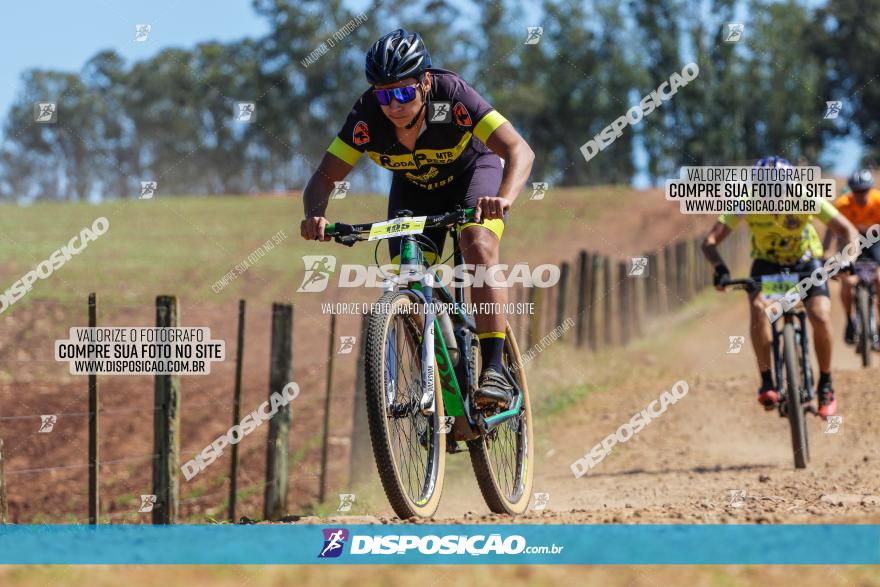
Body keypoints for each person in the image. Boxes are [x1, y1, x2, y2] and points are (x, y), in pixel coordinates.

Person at [300, 29, 535, 409]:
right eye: (384, 94)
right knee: (409, 281)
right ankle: (443, 388)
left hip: (473, 175)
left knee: (476, 243)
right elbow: (323, 178)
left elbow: (518, 149)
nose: (394, 104)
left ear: (425, 82)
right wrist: (315, 215)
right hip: (415, 189)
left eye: (404, 93)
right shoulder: (366, 118)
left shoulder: (452, 95)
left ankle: (494, 368)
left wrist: (503, 199)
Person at [701, 156, 859, 419]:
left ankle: (826, 385)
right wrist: (720, 268)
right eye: (765, 190)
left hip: (805, 263)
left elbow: (848, 230)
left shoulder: (805, 196)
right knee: (759, 309)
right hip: (768, 266)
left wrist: (848, 259)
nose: (772, 195)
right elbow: (709, 241)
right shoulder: (745, 202)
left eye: (779, 189)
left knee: (819, 314)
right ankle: (766, 381)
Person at [823, 169, 880, 347]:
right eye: (856, 191)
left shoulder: (878, 200)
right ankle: (850, 320)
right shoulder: (842, 205)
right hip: (851, 242)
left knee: (879, 279)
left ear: (870, 190)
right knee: (847, 281)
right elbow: (831, 231)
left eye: (864, 191)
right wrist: (825, 252)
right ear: (851, 191)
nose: (860, 195)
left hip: (875, 241)